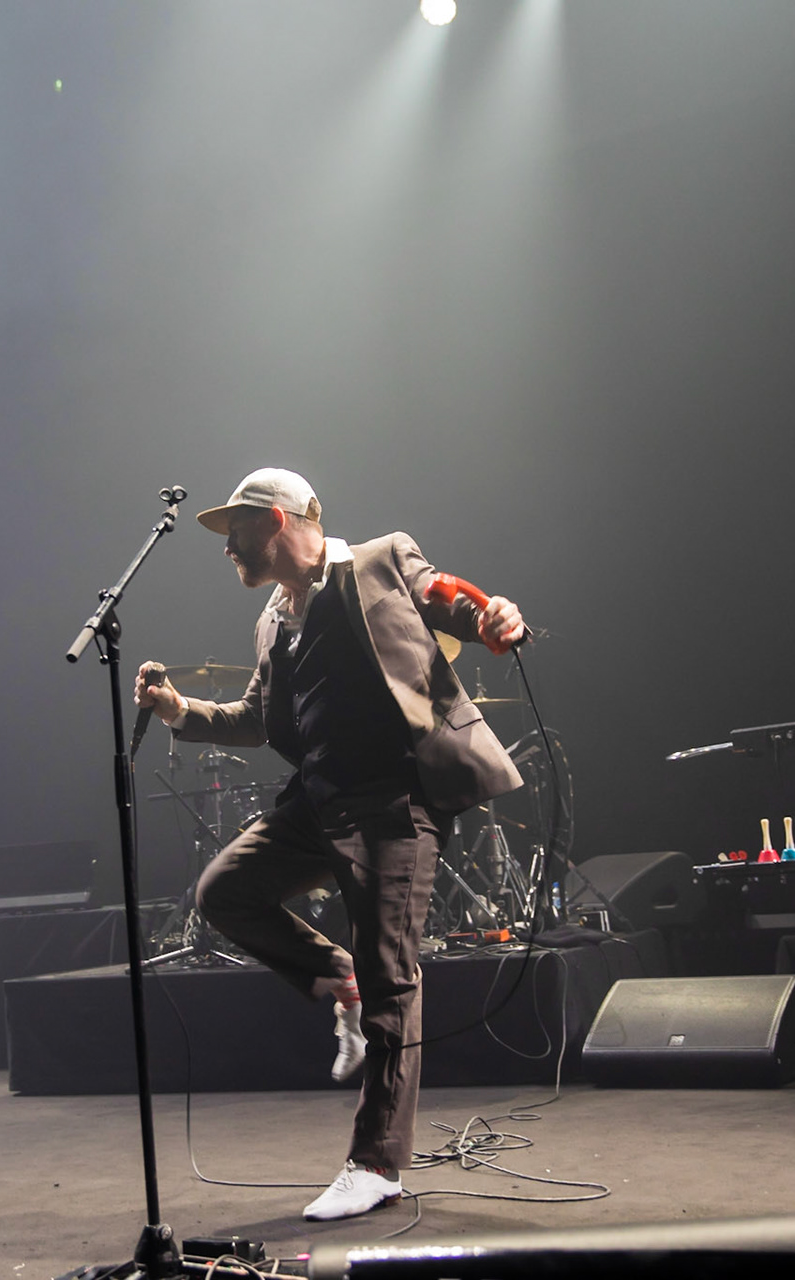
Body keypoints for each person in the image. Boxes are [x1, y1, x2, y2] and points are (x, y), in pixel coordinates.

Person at [133, 468, 526, 1221]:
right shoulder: (271, 622)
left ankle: (377, 1162)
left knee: (393, 974)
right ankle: (334, 979)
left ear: (275, 520)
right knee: (225, 892)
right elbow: (257, 718)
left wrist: (492, 618)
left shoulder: (378, 559)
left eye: (235, 534)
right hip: (319, 802)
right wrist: (181, 710)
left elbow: (446, 594)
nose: (228, 551)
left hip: (394, 801)